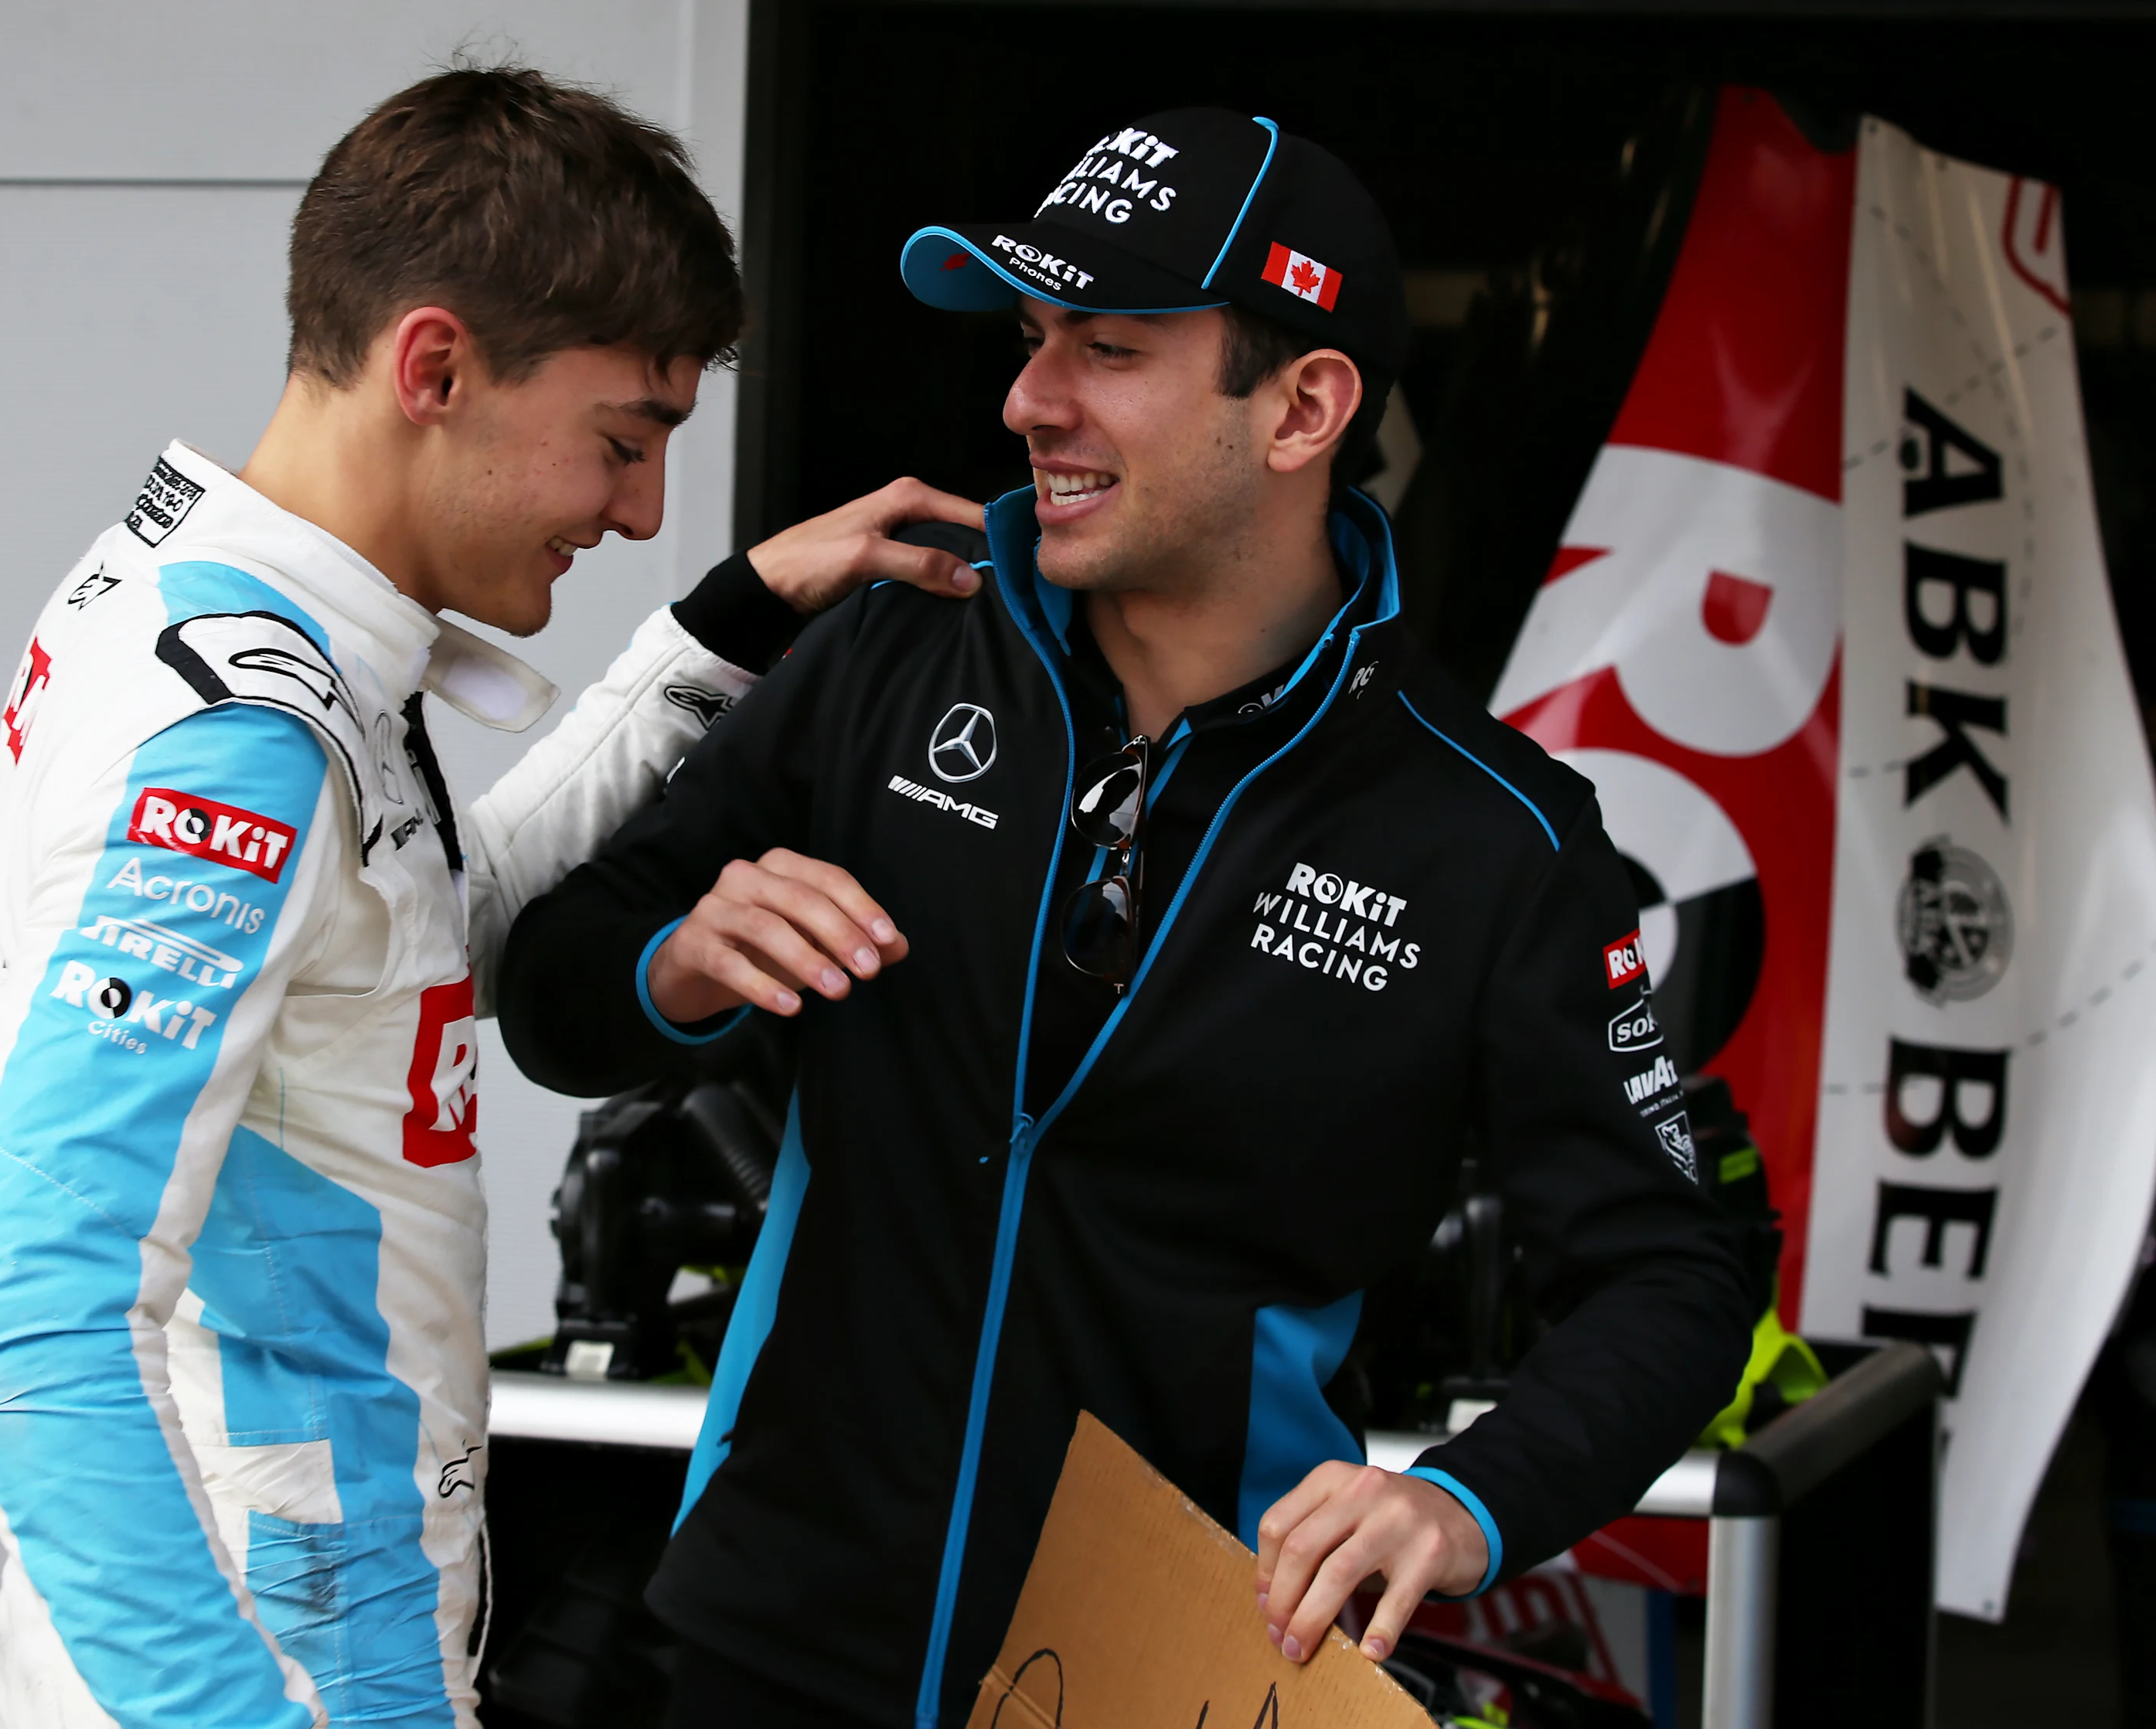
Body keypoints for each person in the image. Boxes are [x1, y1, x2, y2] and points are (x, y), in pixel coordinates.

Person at [498, 107, 1758, 1727]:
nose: (1029, 399)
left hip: (1176, 1673)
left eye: (1106, 347)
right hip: (777, 1635)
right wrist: (673, 966)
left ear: (1304, 407)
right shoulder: (891, 655)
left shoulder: (1492, 837)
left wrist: (1468, 1498)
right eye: (1031, 339)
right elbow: (554, 984)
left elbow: (1676, 1266)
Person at [0, 66, 979, 1729]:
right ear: (433, 367)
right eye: (622, 441)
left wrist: (725, 630)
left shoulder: (206, 602)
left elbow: (405, 935)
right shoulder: (247, 741)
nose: (638, 508)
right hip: (283, 1668)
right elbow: (30, 1323)